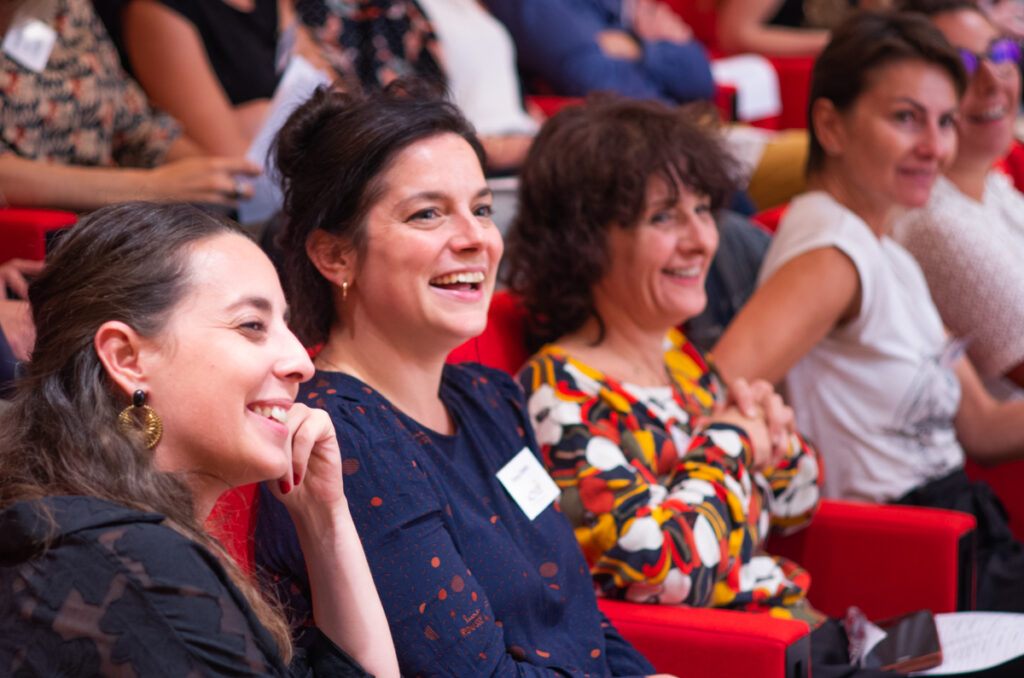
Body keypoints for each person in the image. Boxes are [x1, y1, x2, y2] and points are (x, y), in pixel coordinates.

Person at [252, 85, 675, 678]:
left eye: (481, 209)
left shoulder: (490, 398)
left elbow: (580, 621)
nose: (476, 237)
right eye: (427, 213)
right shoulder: (344, 440)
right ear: (335, 256)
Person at [504, 95, 901, 678]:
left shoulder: (680, 357)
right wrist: (734, 440)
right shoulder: (557, 393)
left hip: (810, 636)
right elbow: (659, 568)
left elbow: (794, 506)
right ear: (585, 240)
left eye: (703, 210)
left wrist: (777, 439)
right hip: (744, 655)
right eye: (665, 218)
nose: (702, 240)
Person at [0, 201, 399, 677]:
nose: (301, 362)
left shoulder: (116, 538)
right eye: (252, 325)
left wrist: (324, 520)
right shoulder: (134, 566)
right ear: (127, 359)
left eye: (286, 324)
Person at [713, 10, 1024, 611]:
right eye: (906, 118)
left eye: (944, 121)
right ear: (830, 125)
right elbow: (715, 396)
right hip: (908, 562)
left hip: (969, 542)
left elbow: (983, 425)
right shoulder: (831, 255)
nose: (934, 147)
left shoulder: (882, 245)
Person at [0, 0, 259, 211]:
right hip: (40, 240)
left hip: (116, 219)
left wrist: (213, 176)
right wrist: (152, 187)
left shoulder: (67, 7)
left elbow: (135, 125)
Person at [893, 0, 1024, 397]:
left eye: (999, 54)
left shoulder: (991, 184)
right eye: (960, 65)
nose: (992, 80)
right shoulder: (934, 222)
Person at [296, 0, 538, 172]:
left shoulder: (431, 9)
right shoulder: (335, 12)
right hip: (457, 165)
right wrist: (500, 148)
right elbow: (367, 136)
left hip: (503, 152)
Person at [97, 0, 330, 157]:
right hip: (245, 199)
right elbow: (230, 158)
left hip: (296, 167)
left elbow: (329, 90)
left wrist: (266, 116)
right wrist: (292, 112)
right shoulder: (155, 10)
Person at [483, 0, 715, 105]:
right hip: (613, 146)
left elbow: (701, 80)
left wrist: (636, 47)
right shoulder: (536, 5)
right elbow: (598, 79)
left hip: (658, 133)